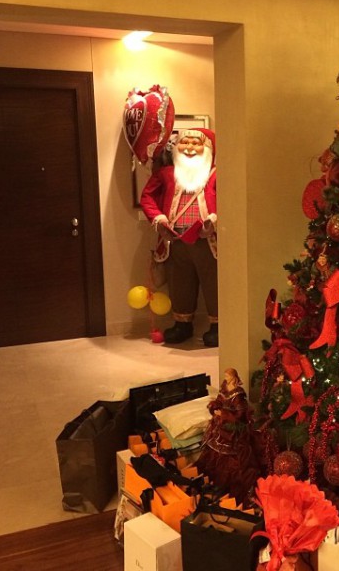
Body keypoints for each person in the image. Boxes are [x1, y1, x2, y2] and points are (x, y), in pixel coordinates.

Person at [140, 128, 218, 346]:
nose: (190, 148)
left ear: (207, 148)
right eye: (185, 143)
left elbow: (232, 200)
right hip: (175, 241)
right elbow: (147, 197)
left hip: (208, 242)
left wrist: (215, 220)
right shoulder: (166, 174)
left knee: (213, 283)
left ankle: (218, 326)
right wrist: (159, 219)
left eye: (196, 143)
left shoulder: (218, 174)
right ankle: (182, 324)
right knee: (179, 282)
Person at [196, 368, 262, 505]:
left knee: (231, 458)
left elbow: (239, 415)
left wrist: (224, 415)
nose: (225, 377)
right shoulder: (224, 387)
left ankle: (227, 486)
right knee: (213, 447)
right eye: (225, 375)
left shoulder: (238, 395)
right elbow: (219, 400)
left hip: (231, 428)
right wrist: (215, 406)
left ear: (233, 376)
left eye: (227, 375)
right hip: (221, 424)